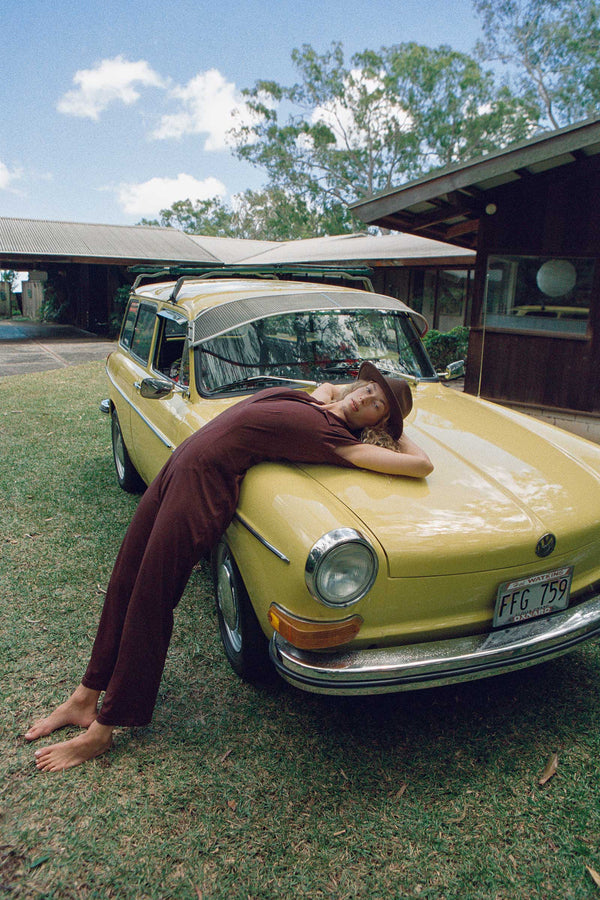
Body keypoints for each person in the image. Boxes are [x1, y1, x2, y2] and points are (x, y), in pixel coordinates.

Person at [25, 362, 433, 772]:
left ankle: (104, 727)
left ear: (376, 422)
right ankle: (84, 695)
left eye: (376, 404)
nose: (364, 397)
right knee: (126, 577)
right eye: (367, 388)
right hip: (179, 464)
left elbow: (422, 465)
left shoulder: (338, 441)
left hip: (203, 487)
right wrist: (352, 394)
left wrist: (395, 429)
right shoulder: (318, 401)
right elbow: (329, 387)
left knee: (152, 594)